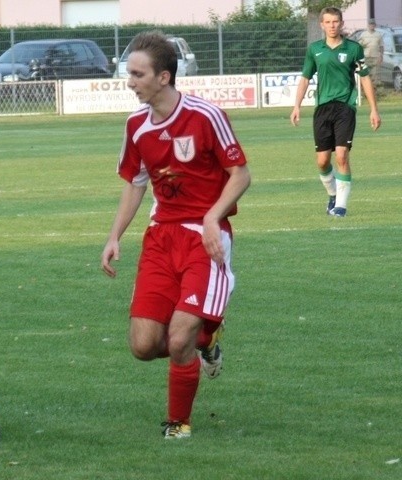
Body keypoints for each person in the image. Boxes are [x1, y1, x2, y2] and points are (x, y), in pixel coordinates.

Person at [100, 31, 251, 439]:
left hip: (206, 238)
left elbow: (240, 174)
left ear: (163, 77)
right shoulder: (135, 126)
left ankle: (178, 423)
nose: (129, 81)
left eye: (137, 73)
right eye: (128, 73)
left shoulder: (205, 116)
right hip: (161, 238)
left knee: (179, 333)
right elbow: (135, 183)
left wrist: (212, 217)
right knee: (144, 345)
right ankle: (207, 338)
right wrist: (115, 236)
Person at [290, 7, 381, 217]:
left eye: (335, 22)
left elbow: (365, 77)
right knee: (322, 161)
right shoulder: (315, 50)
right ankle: (332, 194)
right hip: (322, 108)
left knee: (341, 156)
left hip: (345, 107)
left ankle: (340, 206)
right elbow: (305, 78)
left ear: (341, 23)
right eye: (328, 22)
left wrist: (373, 109)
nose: (332, 26)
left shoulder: (353, 49)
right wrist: (297, 105)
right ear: (321, 25)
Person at [358, 19, 384, 88]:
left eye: (373, 24)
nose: (372, 25)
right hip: (365, 56)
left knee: (375, 74)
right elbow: (359, 46)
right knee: (365, 73)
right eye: (370, 24)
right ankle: (364, 89)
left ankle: (374, 89)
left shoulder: (378, 34)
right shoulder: (363, 34)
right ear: (368, 25)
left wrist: (381, 55)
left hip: (375, 56)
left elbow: (381, 46)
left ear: (375, 25)